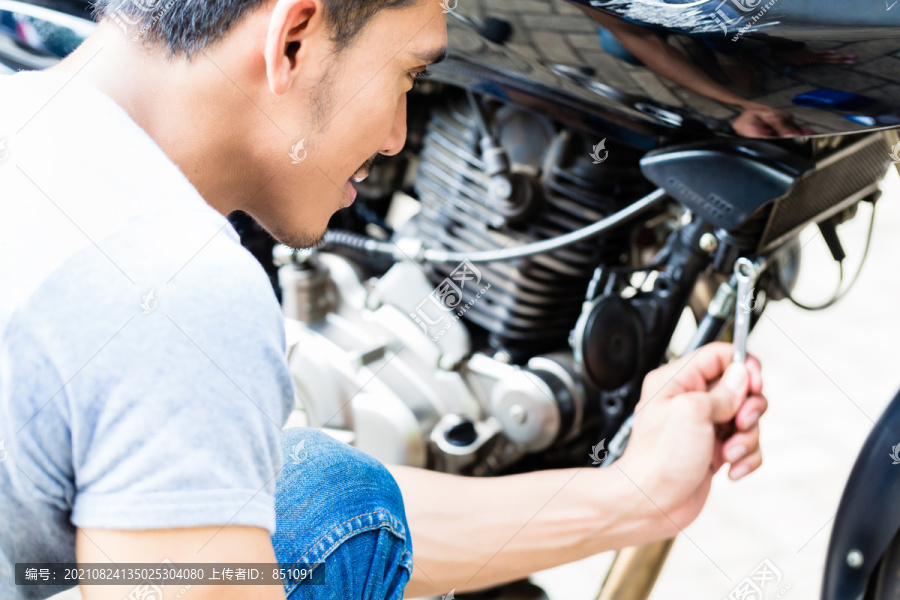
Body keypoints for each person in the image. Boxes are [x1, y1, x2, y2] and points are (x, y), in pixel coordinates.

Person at [0, 0, 768, 598]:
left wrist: (636, 495)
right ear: (293, 36)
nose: (399, 134)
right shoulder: (179, 284)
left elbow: (339, 523)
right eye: (406, 74)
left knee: (326, 488)